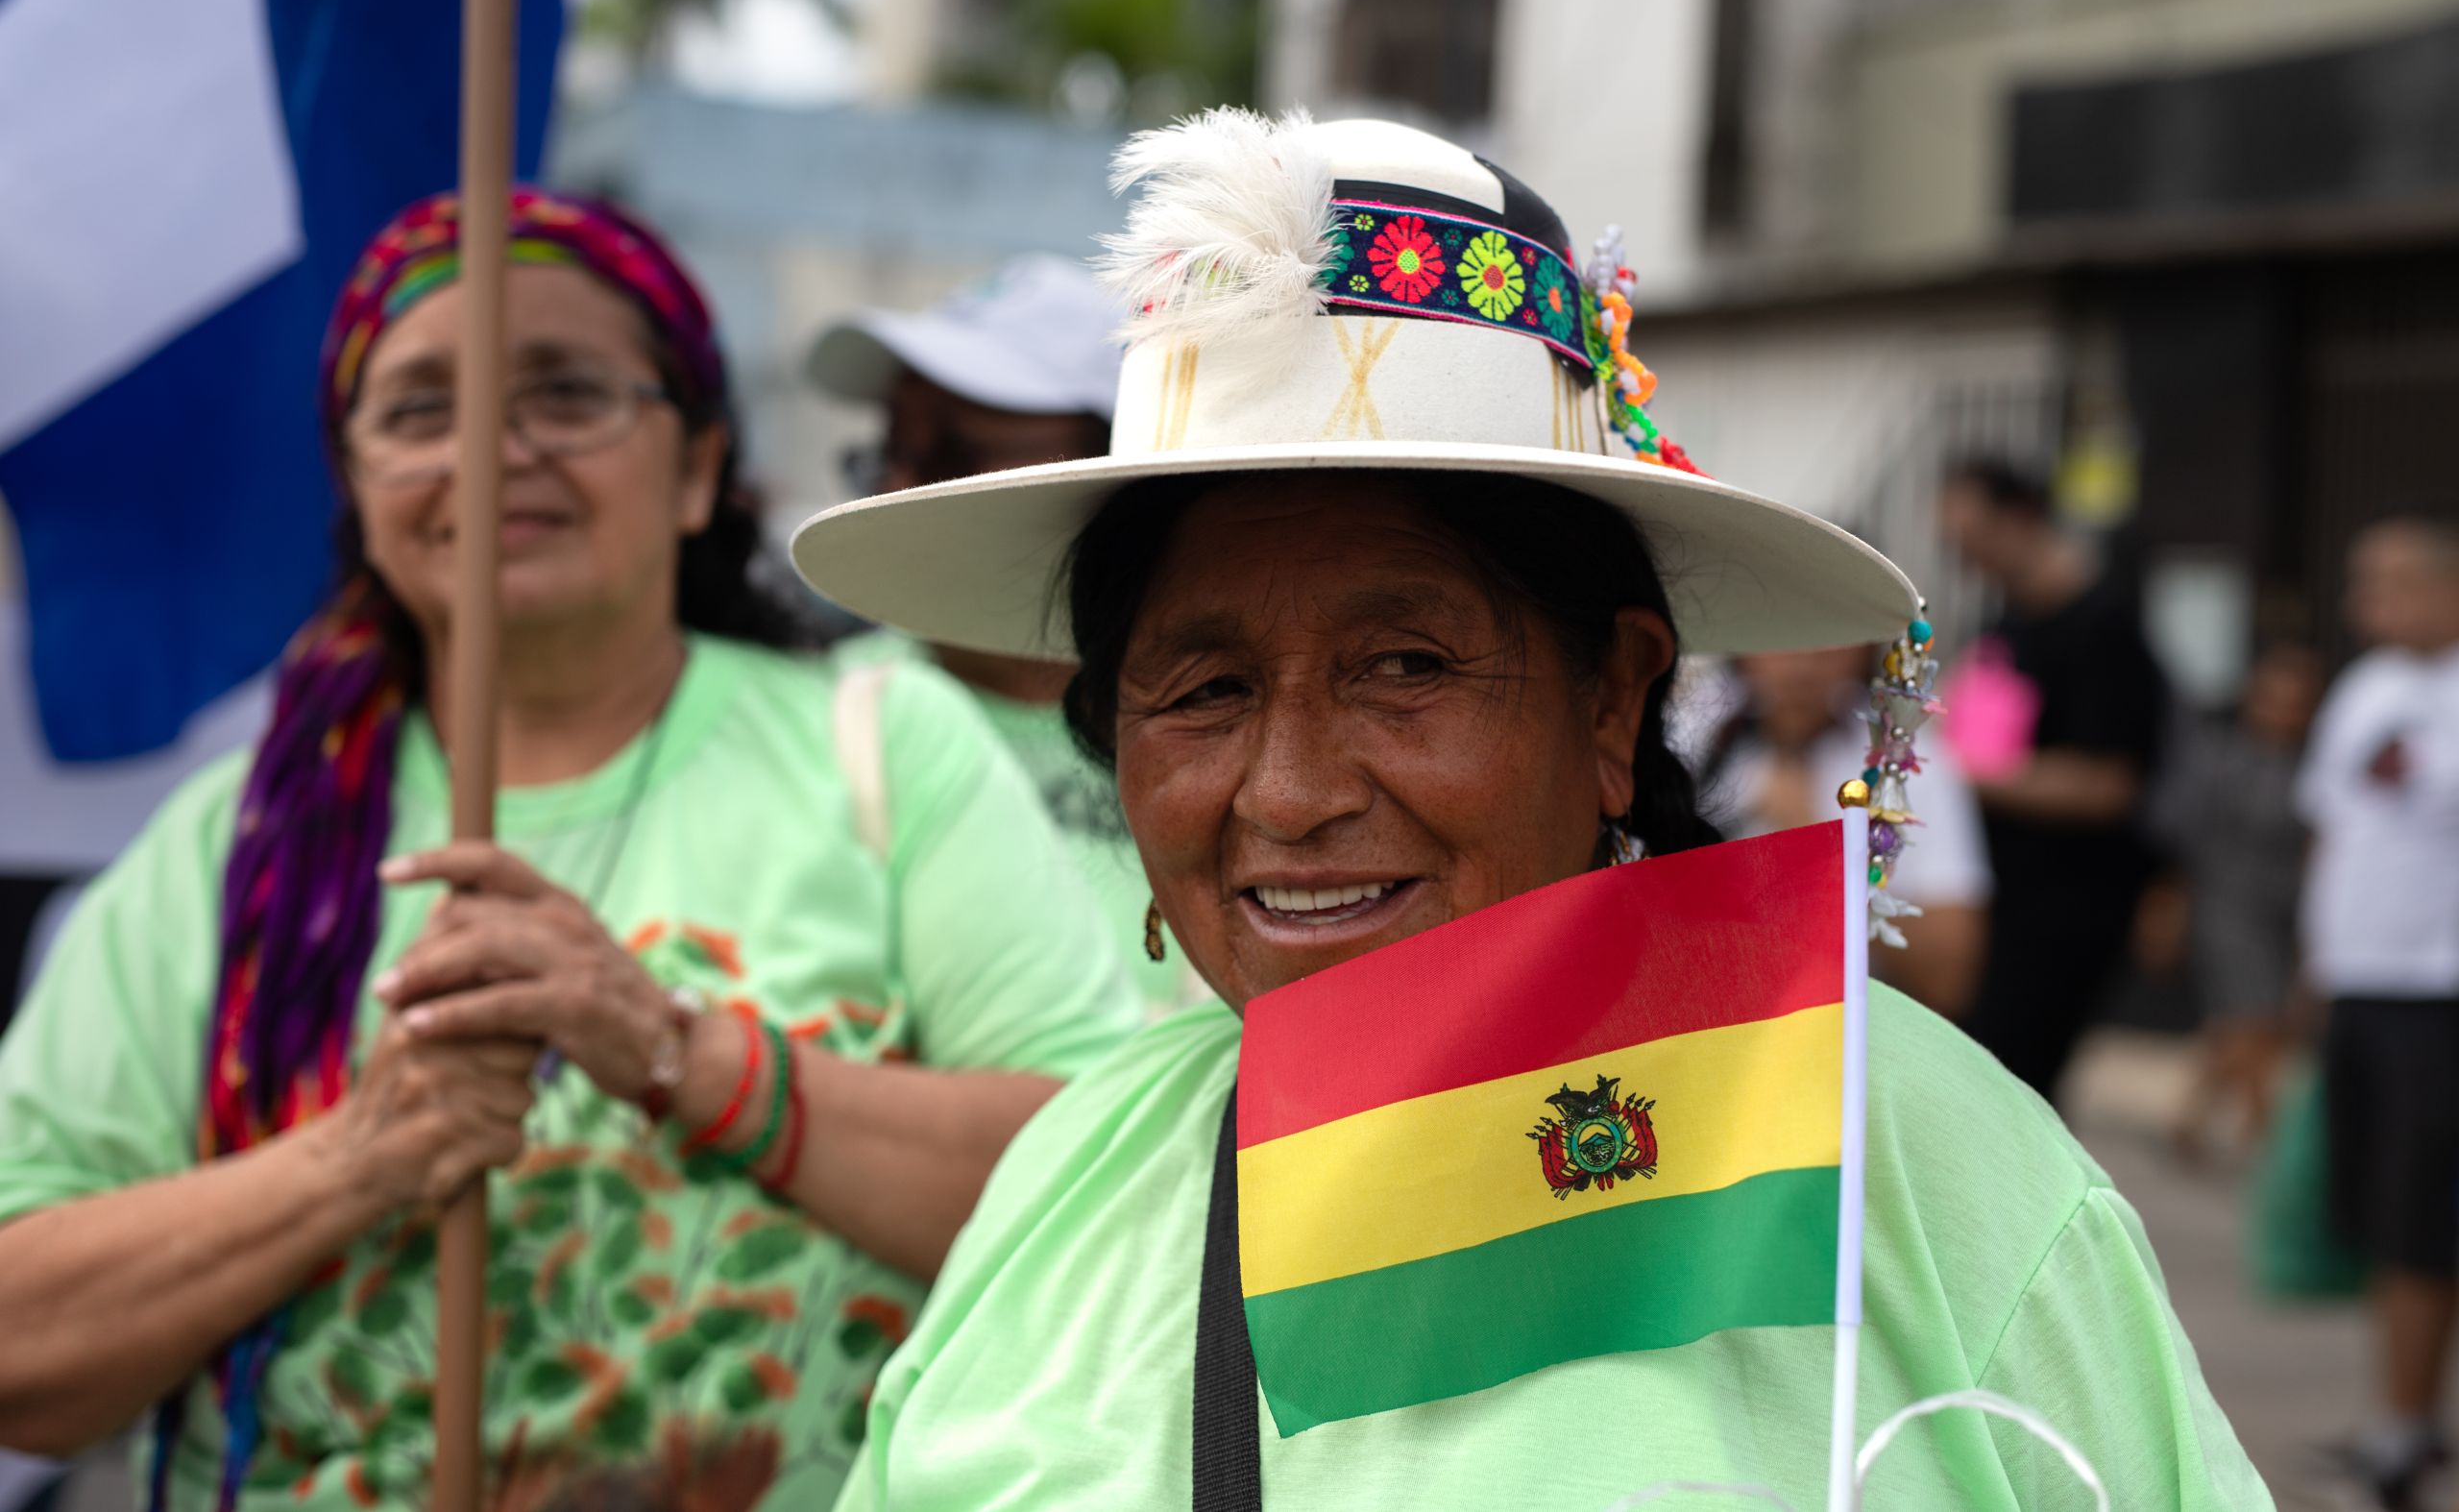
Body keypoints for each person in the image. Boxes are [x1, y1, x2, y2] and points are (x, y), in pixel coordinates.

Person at [786, 111, 2268, 1509]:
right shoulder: (1073, 1177)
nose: (1290, 792)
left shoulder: (1922, 1171)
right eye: (1203, 688)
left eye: (1406, 666)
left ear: (1613, 702)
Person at [0, 191, 1140, 1511]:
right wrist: (355, 1157)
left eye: (566, 391)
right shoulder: (237, 840)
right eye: (421, 410)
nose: (493, 452)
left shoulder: (880, 745)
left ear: (704, 463)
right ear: (358, 485)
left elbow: (1092, 1202)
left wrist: (677, 1049)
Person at [808, 257, 1195, 1012]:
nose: (896, 488)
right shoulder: (822, 712)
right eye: (892, 447)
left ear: (1115, 467)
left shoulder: (1214, 723)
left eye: (955, 452)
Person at [2297, 514, 2459, 1511]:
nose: (2365, 601)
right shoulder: (2363, 690)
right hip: (2358, 985)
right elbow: (2335, 837)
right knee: (2376, 1213)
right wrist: (2307, 980)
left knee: (2418, 1223)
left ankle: (2400, 1433)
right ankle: (2399, 1415)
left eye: (2390, 581)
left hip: (2436, 992)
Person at [1936, 459, 2166, 1101]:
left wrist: (1963, 775)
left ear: (2021, 517)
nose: (1961, 548)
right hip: (1996, 896)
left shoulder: (2104, 628)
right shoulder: (2005, 627)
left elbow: (2109, 784)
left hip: (2067, 911)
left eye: (1971, 529)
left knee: (2012, 1088)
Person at [1686, 646, 1992, 1016]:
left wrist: (1820, 851)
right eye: (1784, 636)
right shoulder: (1690, 733)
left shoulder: (1909, 761)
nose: (1802, 663)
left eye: (1829, 639)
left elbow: (1948, 978)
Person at [2144, 641, 2322, 1161]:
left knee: (2242, 1022)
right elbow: (2182, 841)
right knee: (2253, 1020)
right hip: (2225, 906)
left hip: (2282, 914)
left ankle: (2192, 1116)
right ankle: (2268, 1139)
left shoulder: (2311, 767)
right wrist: (2168, 909)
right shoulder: (2220, 760)